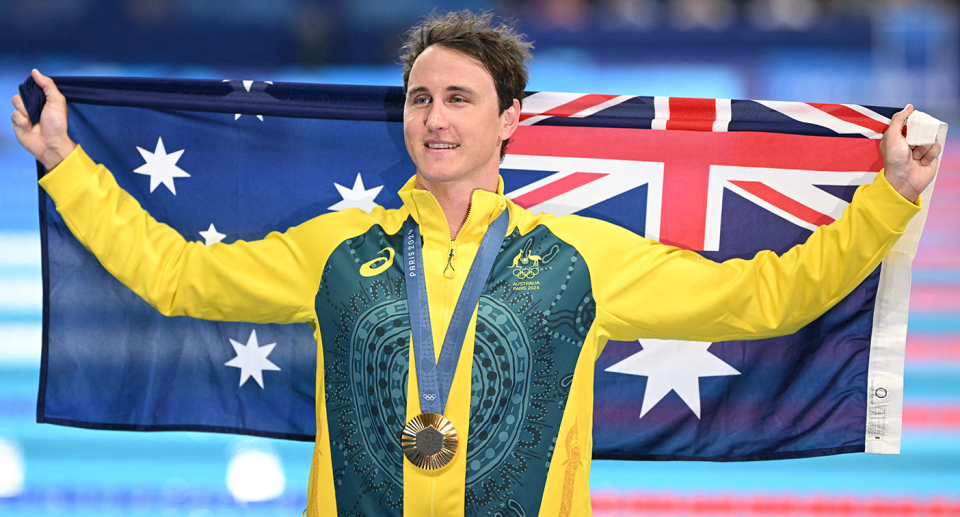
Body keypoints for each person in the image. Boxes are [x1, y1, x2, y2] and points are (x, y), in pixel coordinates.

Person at [10, 10, 942, 517]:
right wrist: (66, 161)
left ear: (510, 122)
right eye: (420, 98)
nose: (436, 118)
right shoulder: (339, 248)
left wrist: (889, 198)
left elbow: (768, 297)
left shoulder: (578, 257)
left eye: (460, 98)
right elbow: (176, 277)